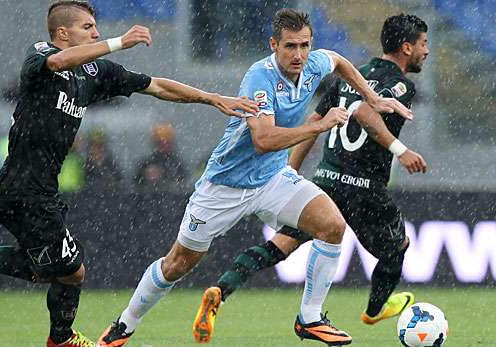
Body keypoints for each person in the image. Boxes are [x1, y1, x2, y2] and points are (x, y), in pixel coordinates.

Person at [0, 2, 258, 347]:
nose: (95, 33)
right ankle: (61, 339)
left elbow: (156, 86)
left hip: (41, 191)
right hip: (23, 190)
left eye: (96, 28)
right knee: (72, 271)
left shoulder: (94, 73)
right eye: (88, 27)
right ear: (63, 33)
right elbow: (59, 62)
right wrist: (119, 41)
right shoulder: (40, 55)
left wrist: (210, 98)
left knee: (44, 268)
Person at [97, 9, 412, 347]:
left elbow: (338, 61)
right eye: (290, 46)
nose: (299, 54)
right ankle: (124, 325)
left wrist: (371, 95)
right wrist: (319, 125)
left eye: (304, 45)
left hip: (273, 179)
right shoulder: (259, 79)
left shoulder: (314, 63)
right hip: (224, 187)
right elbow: (263, 140)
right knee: (177, 264)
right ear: (273, 44)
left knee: (331, 226)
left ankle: (310, 318)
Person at [195, 13, 429, 344]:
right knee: (398, 246)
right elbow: (363, 111)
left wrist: (289, 169)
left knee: (281, 244)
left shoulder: (349, 77)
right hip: (365, 186)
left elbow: (312, 125)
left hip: (327, 178)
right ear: (407, 48)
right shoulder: (401, 85)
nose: (426, 51)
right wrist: (399, 148)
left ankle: (222, 288)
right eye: (423, 44)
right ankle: (375, 309)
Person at [134, 121, 187, 194]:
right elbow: (136, 186)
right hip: (149, 201)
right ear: (155, 143)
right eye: (161, 142)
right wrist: (146, 178)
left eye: (167, 142)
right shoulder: (146, 164)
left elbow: (184, 184)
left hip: (172, 201)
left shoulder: (177, 165)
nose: (165, 145)